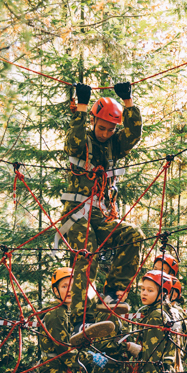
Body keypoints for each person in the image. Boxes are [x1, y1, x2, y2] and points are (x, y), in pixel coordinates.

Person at [60, 81, 143, 324]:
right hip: (76, 214)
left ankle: (110, 293)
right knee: (88, 253)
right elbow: (71, 141)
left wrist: (128, 102)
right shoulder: (82, 141)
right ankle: (80, 317)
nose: (105, 133)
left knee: (133, 235)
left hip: (101, 215)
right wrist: (82, 107)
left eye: (110, 130)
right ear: (94, 122)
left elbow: (133, 134)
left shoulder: (114, 146)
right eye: (102, 127)